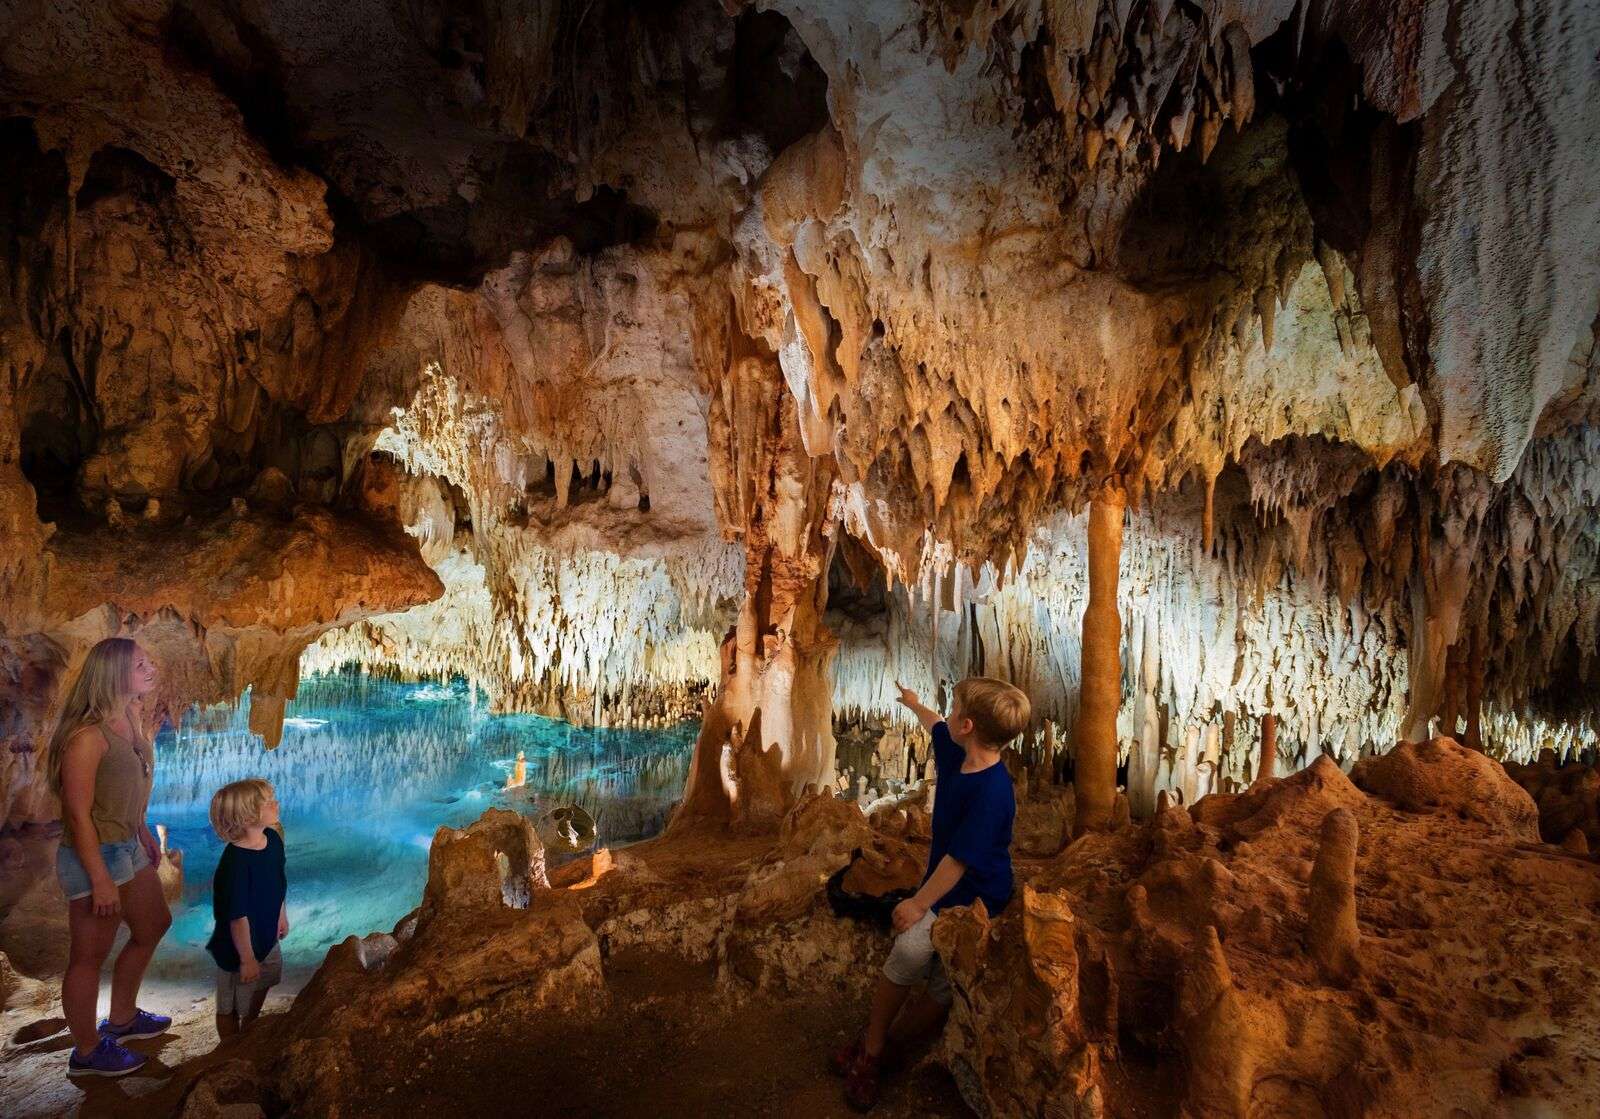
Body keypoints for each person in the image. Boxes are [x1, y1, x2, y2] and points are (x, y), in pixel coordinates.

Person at [833, 676, 1029, 1111]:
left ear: (969, 725)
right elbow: (934, 723)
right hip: (946, 883)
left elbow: (958, 862)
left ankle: (889, 1049)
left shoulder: (994, 792)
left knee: (936, 977)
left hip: (978, 896)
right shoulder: (956, 750)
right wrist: (914, 704)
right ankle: (874, 1046)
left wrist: (919, 903)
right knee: (909, 955)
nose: (949, 711)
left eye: (956, 706)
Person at [48, 637, 173, 1077]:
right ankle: (86, 1051)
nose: (151, 668)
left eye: (148, 660)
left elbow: (131, 783)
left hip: (127, 845)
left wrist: (142, 827)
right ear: (114, 674)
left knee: (154, 924)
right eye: (141, 664)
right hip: (94, 854)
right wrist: (100, 878)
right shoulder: (87, 737)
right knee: (87, 957)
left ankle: (121, 1021)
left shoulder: (129, 718)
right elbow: (79, 815)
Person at [205, 778, 289, 1040]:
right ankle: (229, 1046)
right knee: (229, 1003)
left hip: (266, 934)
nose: (276, 804)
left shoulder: (273, 840)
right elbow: (237, 917)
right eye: (268, 802)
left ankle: (249, 1027)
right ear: (248, 815)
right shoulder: (235, 864)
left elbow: (278, 880)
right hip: (236, 948)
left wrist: (281, 914)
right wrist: (247, 958)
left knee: (266, 978)